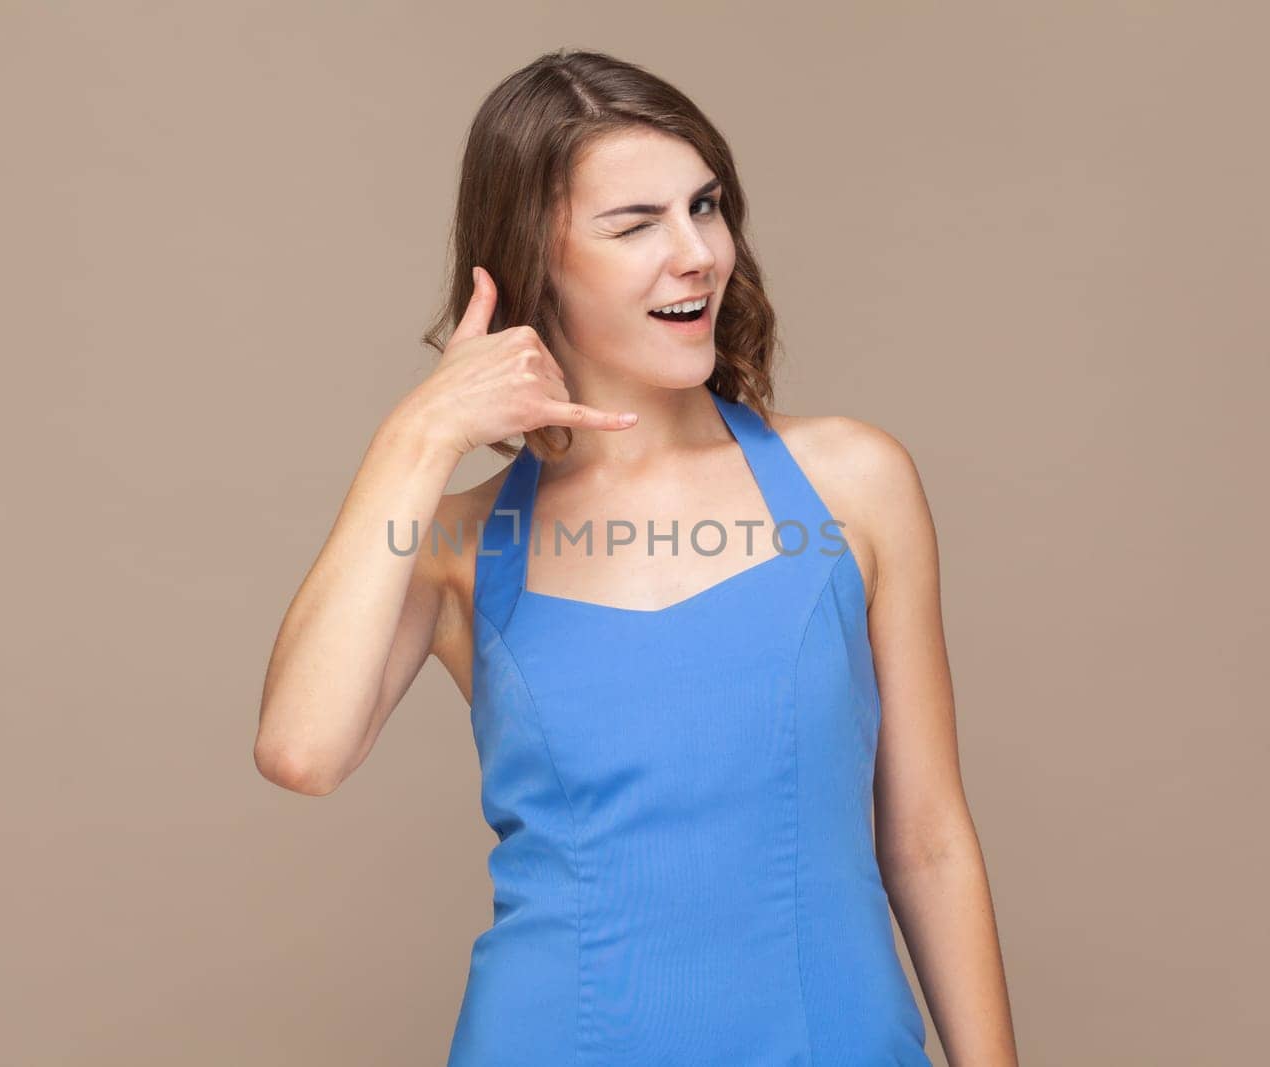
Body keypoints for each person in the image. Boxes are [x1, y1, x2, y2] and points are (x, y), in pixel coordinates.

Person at [253, 48, 1019, 1067]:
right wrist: (418, 434)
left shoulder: (853, 482)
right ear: (538, 260)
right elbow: (300, 751)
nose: (696, 253)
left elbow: (926, 837)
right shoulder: (457, 546)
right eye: (635, 224)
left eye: (705, 206)